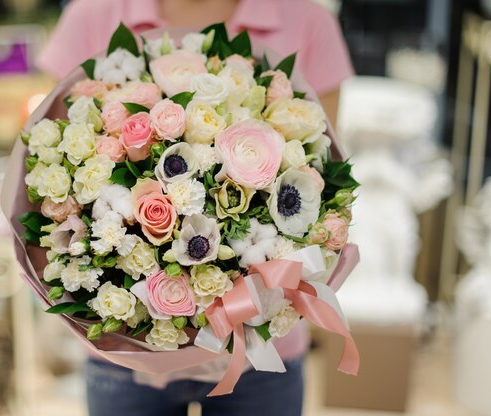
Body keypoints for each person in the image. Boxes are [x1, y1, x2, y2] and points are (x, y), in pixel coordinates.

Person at [37, 1, 353, 415]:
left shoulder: (307, 19)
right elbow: (51, 154)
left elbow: (320, 171)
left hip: (259, 350)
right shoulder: (92, 14)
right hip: (123, 358)